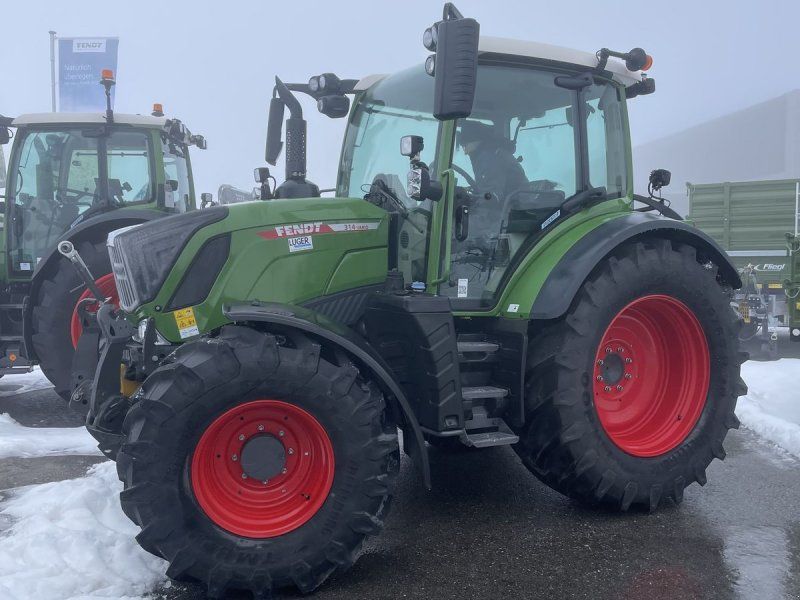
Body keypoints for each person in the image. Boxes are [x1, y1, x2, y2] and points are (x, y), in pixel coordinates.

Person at [457, 121, 529, 202]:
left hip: (515, 208)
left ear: (475, 140)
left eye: (465, 146)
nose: (465, 152)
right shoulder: (488, 153)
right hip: (508, 204)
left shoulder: (489, 157)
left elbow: (492, 196)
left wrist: (473, 200)